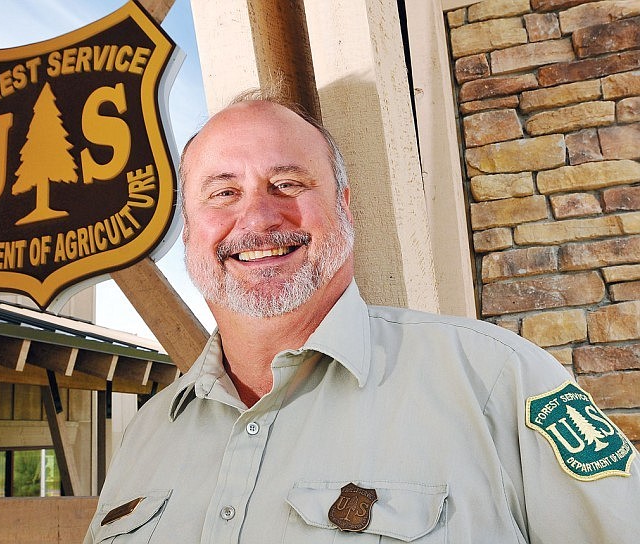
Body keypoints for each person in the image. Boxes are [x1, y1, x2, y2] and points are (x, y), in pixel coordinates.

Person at [85, 93, 640, 543]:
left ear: (345, 208)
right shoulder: (150, 433)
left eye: (289, 184)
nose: (256, 215)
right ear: (191, 231)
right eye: (222, 192)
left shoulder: (498, 381)